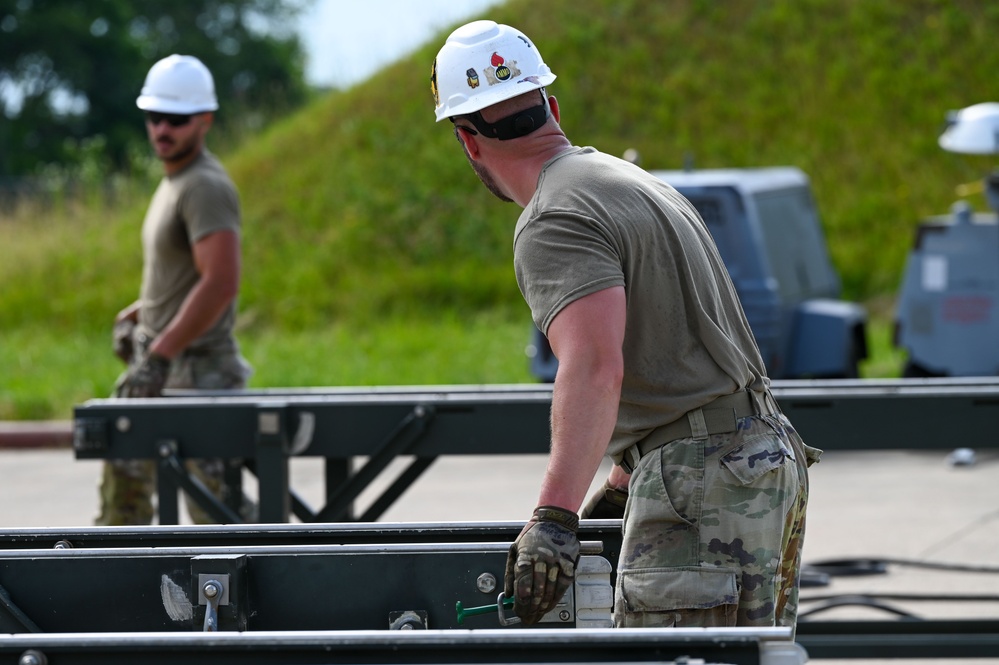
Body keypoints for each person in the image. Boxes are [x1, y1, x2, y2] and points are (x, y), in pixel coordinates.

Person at [431, 21, 821, 630]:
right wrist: (622, 477)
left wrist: (555, 518)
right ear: (550, 107)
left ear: (467, 141)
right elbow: (673, 357)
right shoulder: (633, 183)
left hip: (702, 480)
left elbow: (594, 365)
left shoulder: (554, 217)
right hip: (759, 459)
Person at [97, 54, 253, 526]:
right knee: (122, 514)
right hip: (165, 373)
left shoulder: (203, 185)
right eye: (154, 117)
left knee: (217, 524)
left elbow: (220, 281)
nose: (162, 128)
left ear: (204, 120)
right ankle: (120, 594)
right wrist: (144, 313)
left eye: (177, 119)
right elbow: (188, 275)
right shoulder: (175, 181)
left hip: (196, 374)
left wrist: (160, 353)